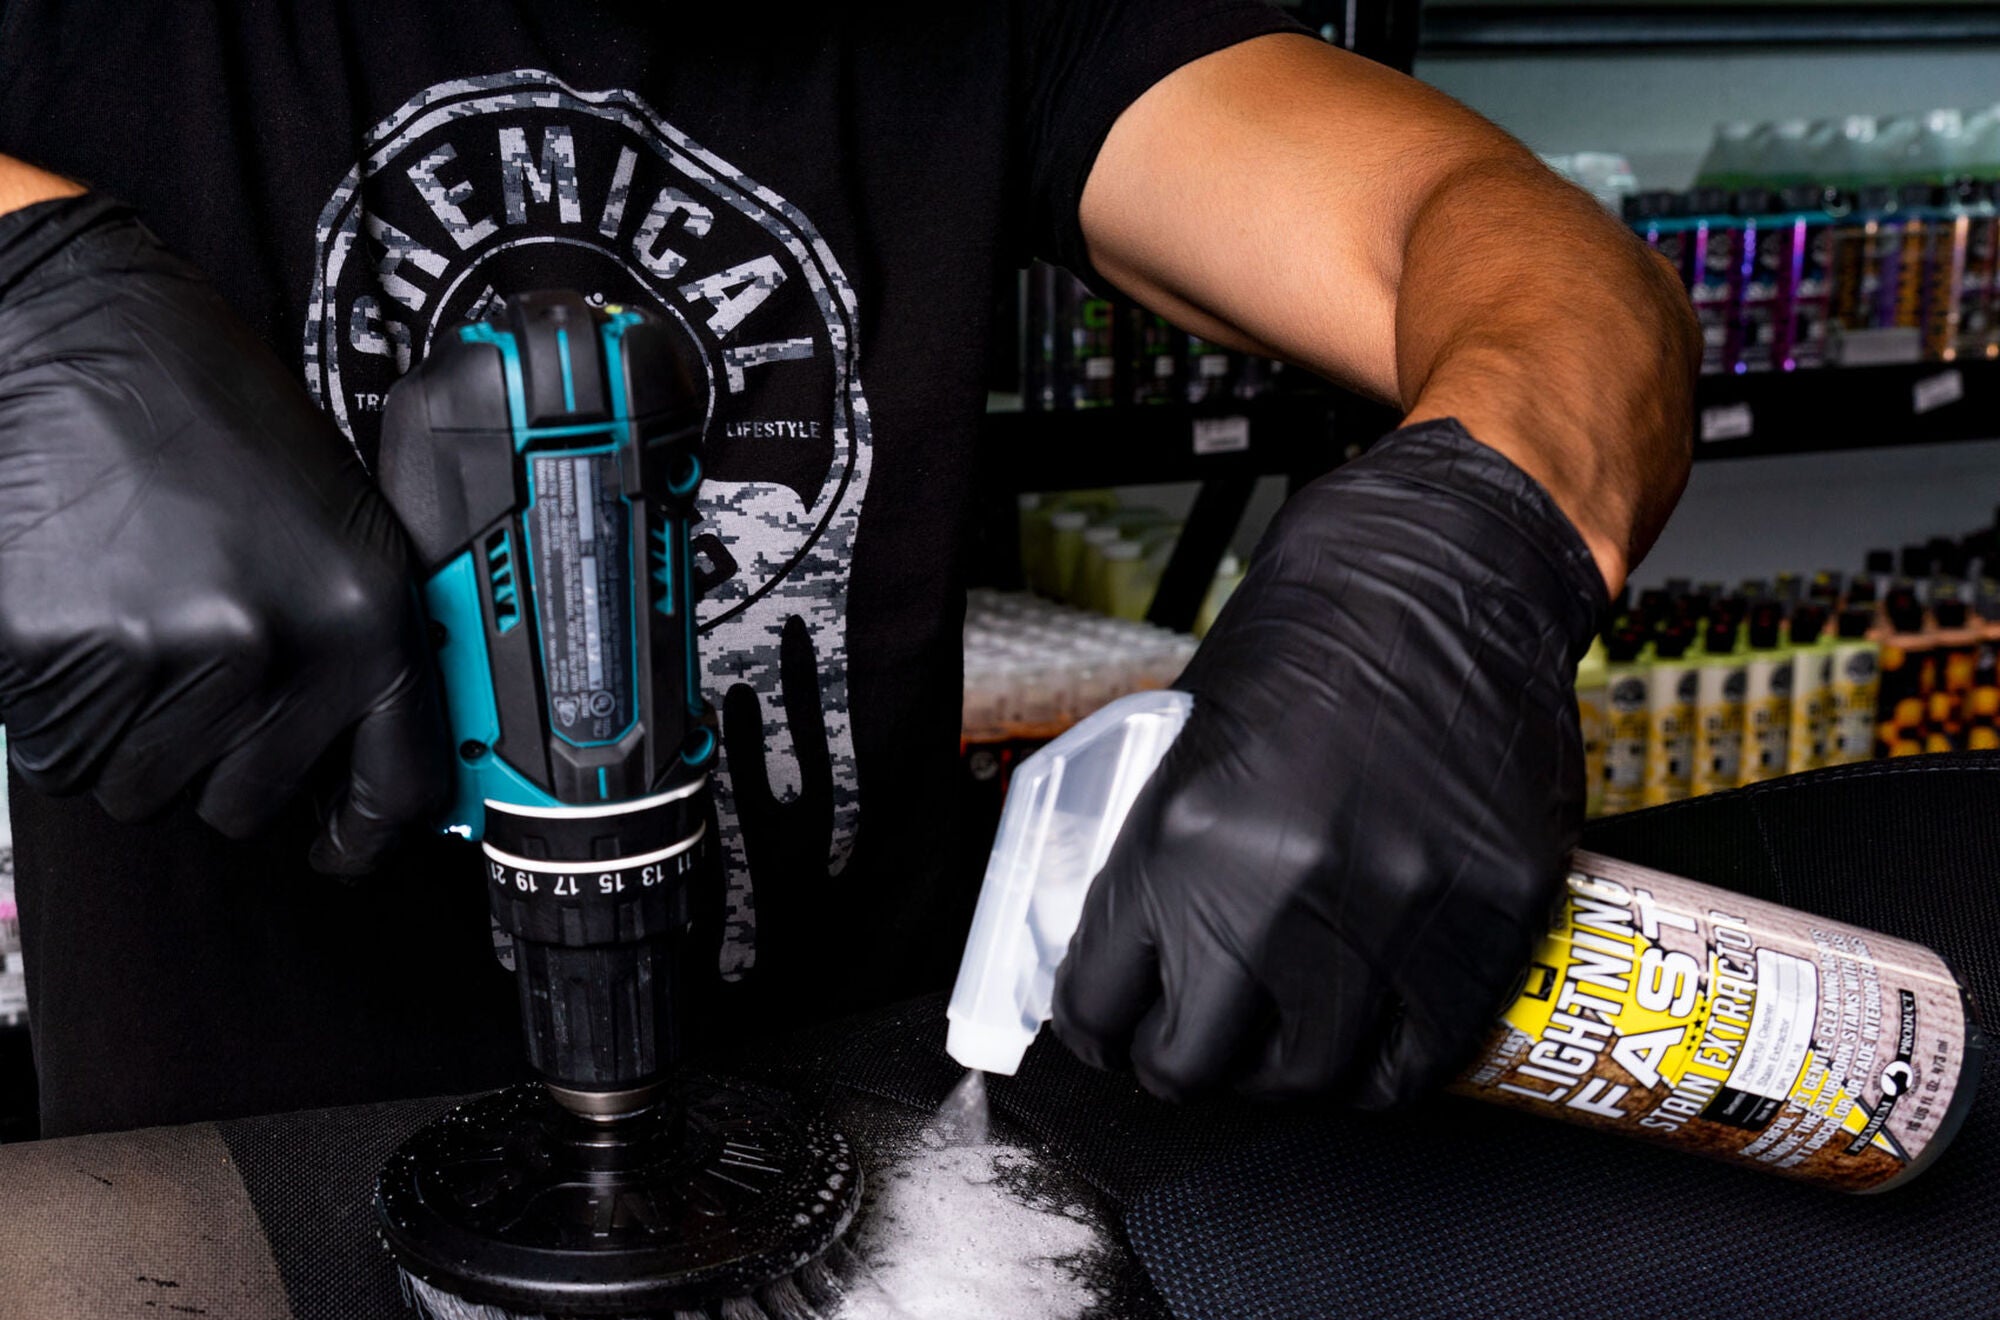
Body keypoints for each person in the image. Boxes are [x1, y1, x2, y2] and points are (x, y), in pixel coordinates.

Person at [0, 3, 1694, 1137]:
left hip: (870, 1168)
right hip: (219, 1225)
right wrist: (21, 299)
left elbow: (1488, 229)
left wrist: (1478, 540)